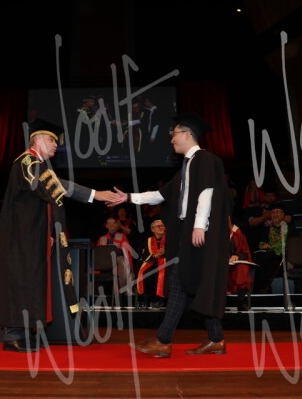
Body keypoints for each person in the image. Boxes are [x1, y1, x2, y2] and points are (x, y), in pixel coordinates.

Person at [109, 112, 232, 357]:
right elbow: (160, 195)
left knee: (179, 282)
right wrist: (129, 198)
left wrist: (199, 225)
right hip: (189, 234)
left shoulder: (204, 159)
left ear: (188, 135)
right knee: (193, 283)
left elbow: (207, 192)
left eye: (175, 134)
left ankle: (163, 340)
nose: (172, 139)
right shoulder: (185, 167)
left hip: (199, 234)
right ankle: (215, 339)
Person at [0, 119, 117, 353]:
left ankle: (23, 332)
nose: (56, 145)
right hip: (20, 238)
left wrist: (48, 233)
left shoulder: (37, 164)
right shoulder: (27, 162)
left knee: (30, 282)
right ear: (37, 140)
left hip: (32, 236)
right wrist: (95, 194)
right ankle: (13, 335)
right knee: (20, 282)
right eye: (51, 140)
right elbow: (56, 185)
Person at [251, 203, 297, 294]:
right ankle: (264, 294)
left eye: (279, 212)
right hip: (271, 260)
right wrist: (263, 244)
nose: (276, 214)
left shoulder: (291, 228)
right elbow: (261, 241)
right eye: (273, 212)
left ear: (283, 215)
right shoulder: (266, 229)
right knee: (261, 260)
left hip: (287, 259)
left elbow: (296, 244)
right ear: (270, 215)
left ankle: (301, 294)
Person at [96, 216, 134, 306]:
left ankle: (119, 293)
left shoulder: (122, 236)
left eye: (113, 223)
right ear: (106, 226)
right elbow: (97, 253)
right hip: (105, 263)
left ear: (117, 225)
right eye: (109, 223)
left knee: (120, 261)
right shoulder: (102, 238)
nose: (111, 225)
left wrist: (111, 250)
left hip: (118, 261)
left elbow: (125, 251)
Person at [135, 219, 167, 309]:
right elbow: (142, 256)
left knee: (160, 275)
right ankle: (145, 300)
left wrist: (165, 253)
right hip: (150, 263)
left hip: (166, 264)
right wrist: (156, 255)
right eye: (158, 226)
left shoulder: (170, 240)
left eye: (162, 226)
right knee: (145, 274)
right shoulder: (147, 241)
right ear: (153, 230)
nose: (160, 228)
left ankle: (159, 300)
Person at [228, 216, 253, 311]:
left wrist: (237, 256)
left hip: (234, 267)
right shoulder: (215, 234)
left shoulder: (238, 235)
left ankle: (241, 301)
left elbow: (246, 254)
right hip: (219, 265)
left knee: (242, 267)